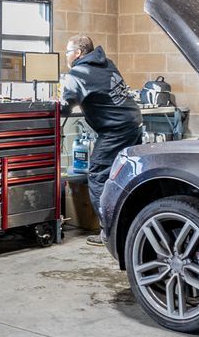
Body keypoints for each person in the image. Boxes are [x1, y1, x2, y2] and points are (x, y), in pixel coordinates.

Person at [59, 34, 141, 244]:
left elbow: (65, 106)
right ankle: (131, 225)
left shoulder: (77, 73)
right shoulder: (107, 63)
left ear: (77, 53)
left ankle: (109, 233)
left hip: (115, 131)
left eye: (68, 51)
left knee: (97, 176)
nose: (67, 55)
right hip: (133, 124)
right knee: (125, 177)